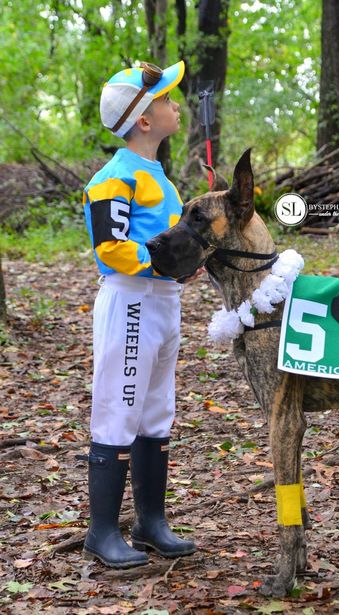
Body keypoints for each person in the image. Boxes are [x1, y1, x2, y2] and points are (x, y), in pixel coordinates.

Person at [81, 60, 196, 568]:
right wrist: (159, 259)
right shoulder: (116, 178)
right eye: (167, 99)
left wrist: (185, 263)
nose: (176, 105)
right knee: (118, 409)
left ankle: (151, 521)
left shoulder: (159, 178)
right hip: (130, 301)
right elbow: (110, 247)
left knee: (155, 410)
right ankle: (102, 532)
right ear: (144, 120)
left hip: (163, 303)